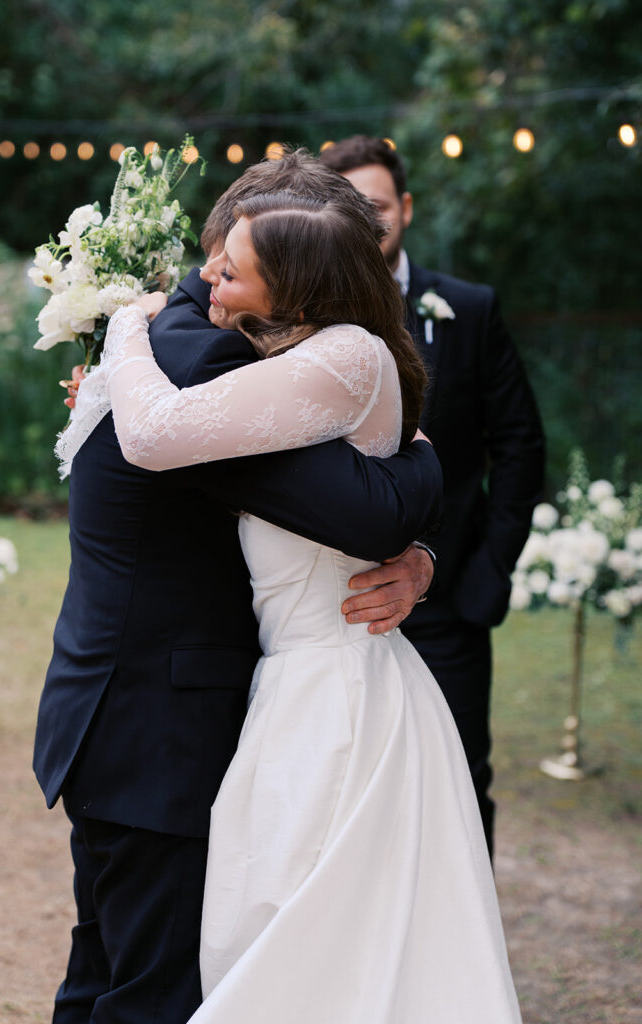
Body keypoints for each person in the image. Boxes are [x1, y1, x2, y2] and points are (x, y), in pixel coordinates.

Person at [82, 189, 522, 1021]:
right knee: (290, 938)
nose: (209, 272)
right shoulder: (306, 358)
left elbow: (155, 434)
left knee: (306, 946)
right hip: (300, 684)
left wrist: (121, 329)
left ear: (299, 288)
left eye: (235, 267)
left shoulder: (345, 356)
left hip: (336, 695)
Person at [321, 135, 545, 855]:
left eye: (379, 209)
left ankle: (462, 955)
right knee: (345, 789)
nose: (369, 227)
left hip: (449, 604)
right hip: (334, 606)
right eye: (351, 214)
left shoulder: (469, 310)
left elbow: (520, 446)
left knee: (455, 780)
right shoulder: (302, 316)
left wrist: (487, 571)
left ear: (406, 208)